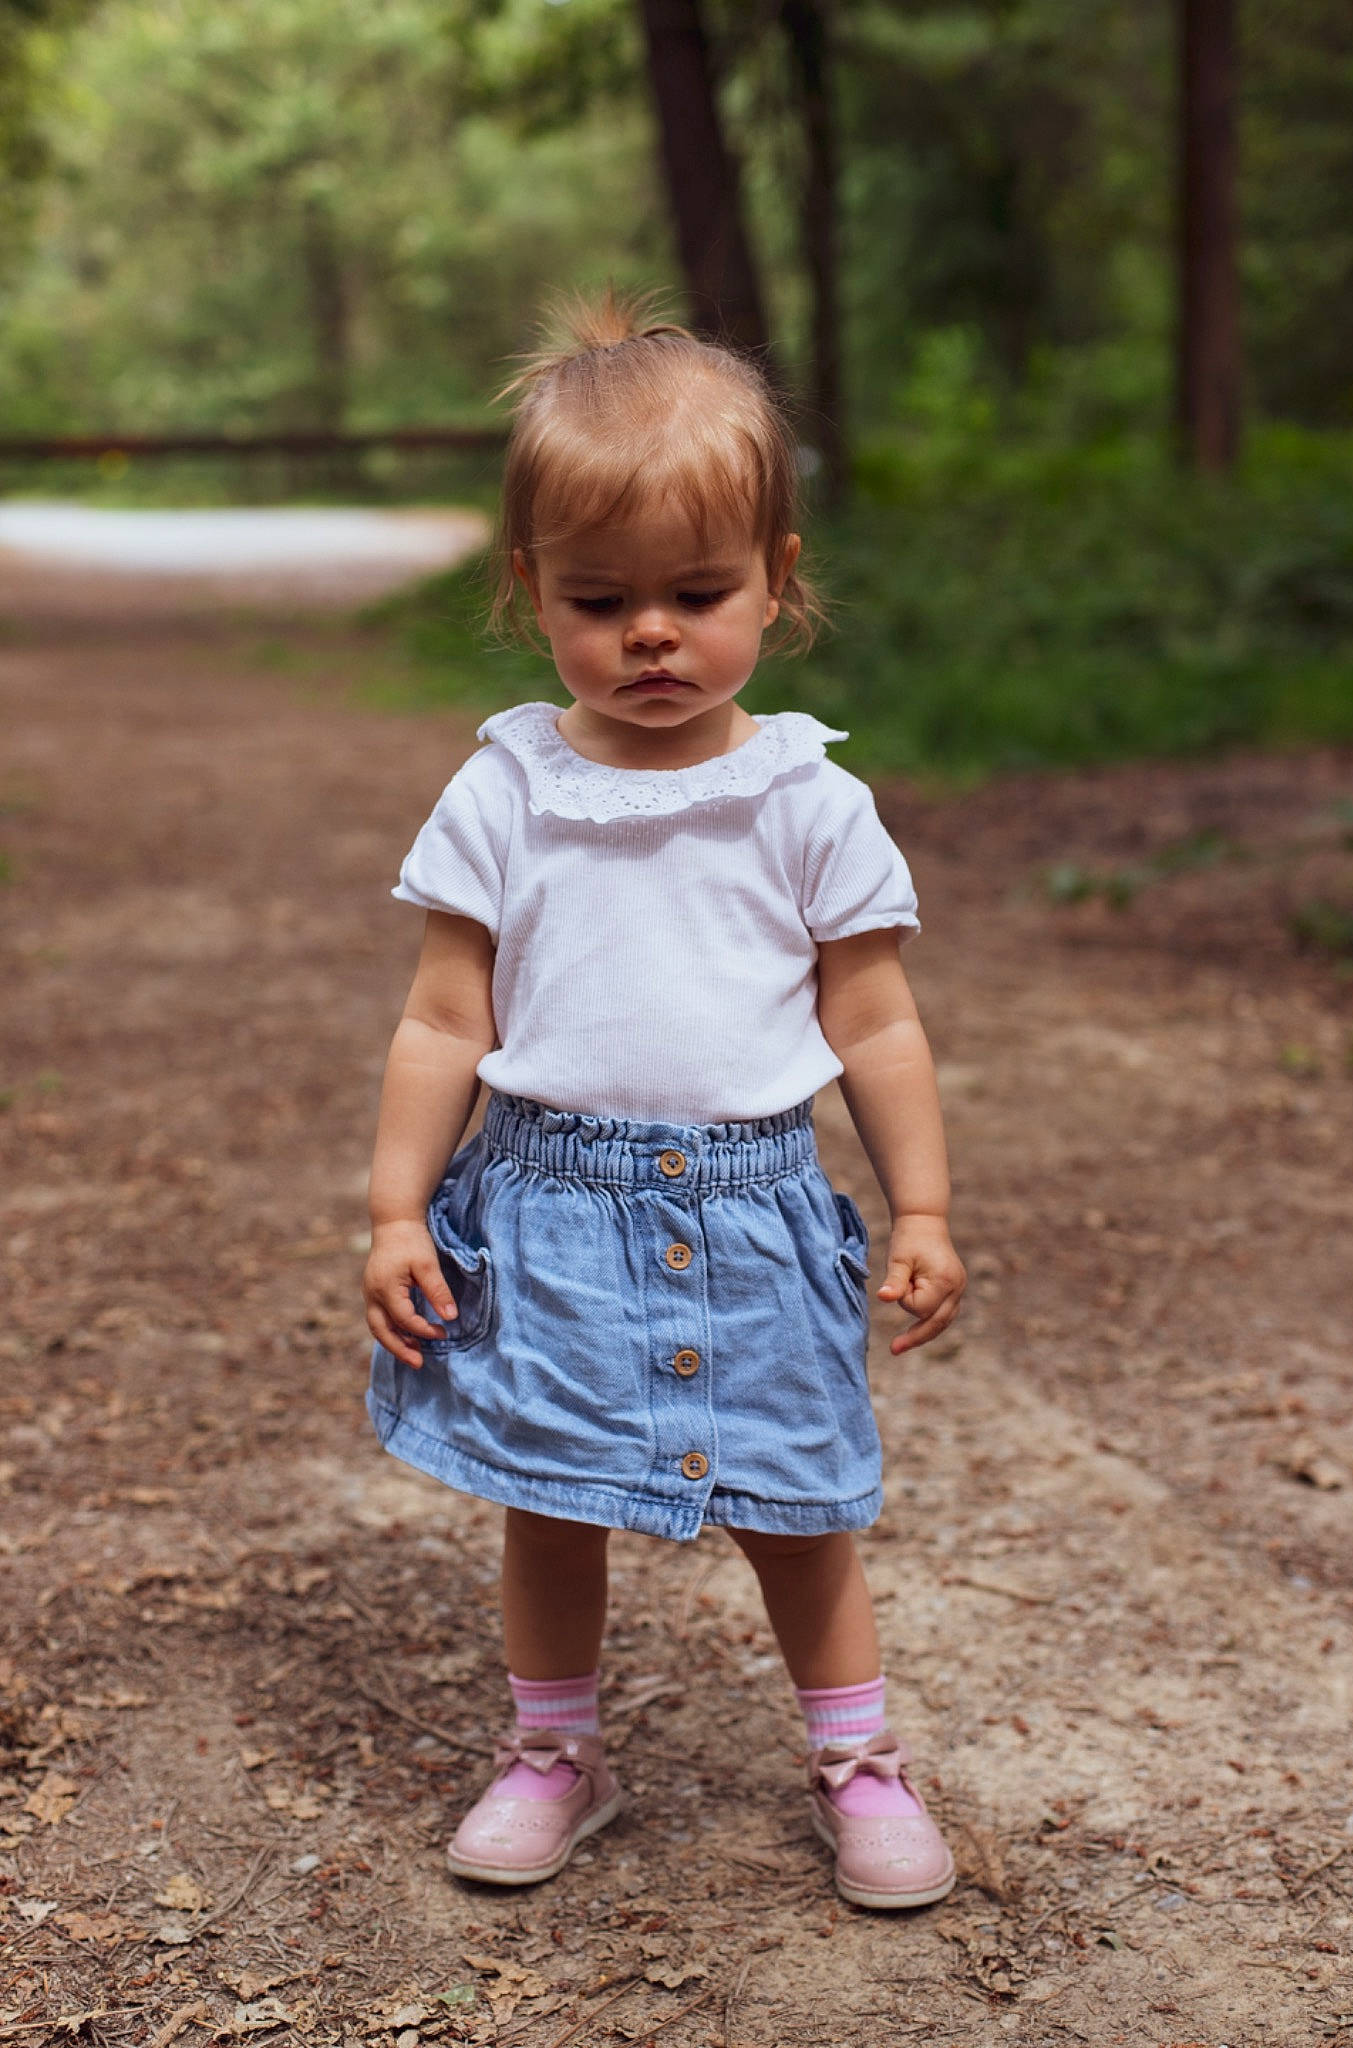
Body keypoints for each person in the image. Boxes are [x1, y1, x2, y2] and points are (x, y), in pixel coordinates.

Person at [362, 291, 967, 1911]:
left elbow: (874, 1018)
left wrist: (918, 1204)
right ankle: (557, 1753)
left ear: (776, 579)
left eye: (697, 595)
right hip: (544, 1209)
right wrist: (390, 1207)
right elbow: (441, 1015)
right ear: (529, 594)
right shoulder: (506, 791)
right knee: (550, 1502)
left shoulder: (807, 799)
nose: (650, 635)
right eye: (600, 599)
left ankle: (857, 1764)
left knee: (798, 1507)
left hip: (757, 1207)